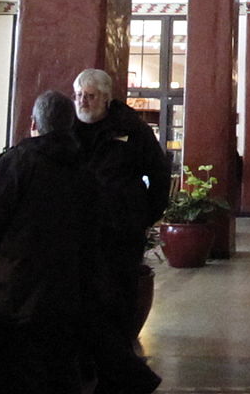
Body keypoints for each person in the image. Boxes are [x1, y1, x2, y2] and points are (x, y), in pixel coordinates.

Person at [0, 91, 98, 394]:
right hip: (69, 290)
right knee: (61, 373)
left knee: (19, 374)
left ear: (33, 122)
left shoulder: (19, 162)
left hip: (19, 291)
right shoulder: (85, 169)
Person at [73, 68, 168, 393]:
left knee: (116, 302)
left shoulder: (131, 130)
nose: (83, 102)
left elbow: (158, 175)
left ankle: (121, 376)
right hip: (78, 235)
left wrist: (141, 216)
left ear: (106, 97)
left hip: (120, 234)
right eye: (79, 96)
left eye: (90, 96)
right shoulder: (67, 130)